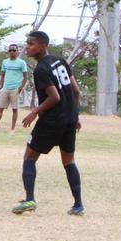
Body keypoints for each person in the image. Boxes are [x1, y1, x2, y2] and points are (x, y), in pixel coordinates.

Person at [12, 31, 84, 216]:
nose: (27, 47)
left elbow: (54, 97)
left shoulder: (41, 69)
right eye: (27, 43)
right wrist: (75, 116)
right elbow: (76, 91)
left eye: (31, 44)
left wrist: (35, 111)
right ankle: (78, 205)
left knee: (29, 157)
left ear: (43, 46)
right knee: (69, 161)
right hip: (69, 120)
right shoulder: (60, 61)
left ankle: (30, 200)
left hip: (52, 120)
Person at [0, 43, 29, 134]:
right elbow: (3, 75)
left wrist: (21, 87)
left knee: (14, 109)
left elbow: (25, 76)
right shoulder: (5, 62)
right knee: (0, 108)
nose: (12, 52)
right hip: (5, 88)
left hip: (15, 89)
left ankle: (12, 129)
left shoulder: (21, 63)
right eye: (10, 50)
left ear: (17, 51)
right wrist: (1, 87)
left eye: (14, 50)